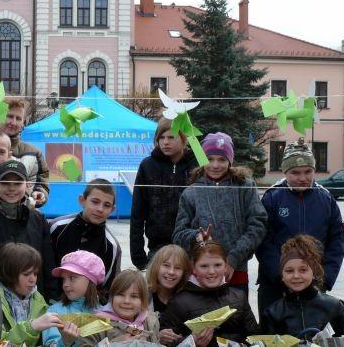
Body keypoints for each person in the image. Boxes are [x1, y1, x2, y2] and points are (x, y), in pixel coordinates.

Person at [256, 138, 344, 317]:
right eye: (295, 172)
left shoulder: (326, 199)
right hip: (275, 286)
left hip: (314, 285)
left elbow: (337, 239)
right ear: (285, 172)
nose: (302, 178)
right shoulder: (272, 198)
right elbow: (263, 240)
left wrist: (326, 278)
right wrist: (280, 276)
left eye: (308, 171)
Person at [173, 132, 267, 290]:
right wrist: (195, 236)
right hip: (201, 275)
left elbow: (258, 225)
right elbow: (178, 234)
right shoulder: (191, 192)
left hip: (236, 272)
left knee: (236, 312)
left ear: (230, 160)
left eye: (222, 159)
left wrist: (232, 259)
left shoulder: (245, 187)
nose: (215, 165)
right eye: (209, 159)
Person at [0, 159, 57, 300]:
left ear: (27, 185)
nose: (11, 188)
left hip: (35, 298)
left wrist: (52, 297)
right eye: (5, 183)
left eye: (18, 183)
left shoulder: (38, 219)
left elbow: (48, 262)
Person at [160, 241, 259, 347]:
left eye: (217, 265)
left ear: (226, 265)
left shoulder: (239, 297)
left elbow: (254, 337)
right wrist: (191, 342)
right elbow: (167, 343)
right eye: (204, 266)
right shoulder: (179, 302)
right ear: (193, 268)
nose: (211, 271)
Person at [130, 117, 197, 269]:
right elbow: (137, 213)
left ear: (183, 138)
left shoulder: (196, 165)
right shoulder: (147, 166)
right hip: (158, 248)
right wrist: (138, 257)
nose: (165, 142)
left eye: (171, 137)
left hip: (191, 247)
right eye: (161, 137)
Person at [261, 234, 344, 339]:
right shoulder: (272, 313)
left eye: (303, 270)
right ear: (282, 275)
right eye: (289, 271)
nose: (296, 276)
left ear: (314, 272)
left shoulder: (335, 307)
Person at [50, 178, 122, 294]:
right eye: (95, 202)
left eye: (107, 205)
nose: (100, 209)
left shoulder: (111, 246)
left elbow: (109, 287)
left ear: (112, 210)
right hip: (52, 302)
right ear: (82, 200)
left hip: (89, 308)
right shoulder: (56, 228)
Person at [0, 243, 63, 347]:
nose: (33, 279)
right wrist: (31, 327)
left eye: (35, 273)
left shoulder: (38, 298)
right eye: (26, 274)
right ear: (8, 273)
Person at [78, 269, 160, 346]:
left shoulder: (150, 323)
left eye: (134, 296)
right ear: (112, 298)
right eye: (120, 294)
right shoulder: (95, 325)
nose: (127, 301)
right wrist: (113, 344)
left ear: (143, 301)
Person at [42, 250, 105, 347]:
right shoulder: (54, 312)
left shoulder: (103, 314)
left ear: (91, 280)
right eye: (64, 279)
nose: (65, 284)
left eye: (72, 278)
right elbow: (49, 344)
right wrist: (64, 342)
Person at [145, 244, 190, 322]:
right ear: (155, 267)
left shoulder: (187, 300)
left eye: (178, 268)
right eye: (166, 265)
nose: (171, 272)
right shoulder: (142, 296)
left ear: (184, 273)